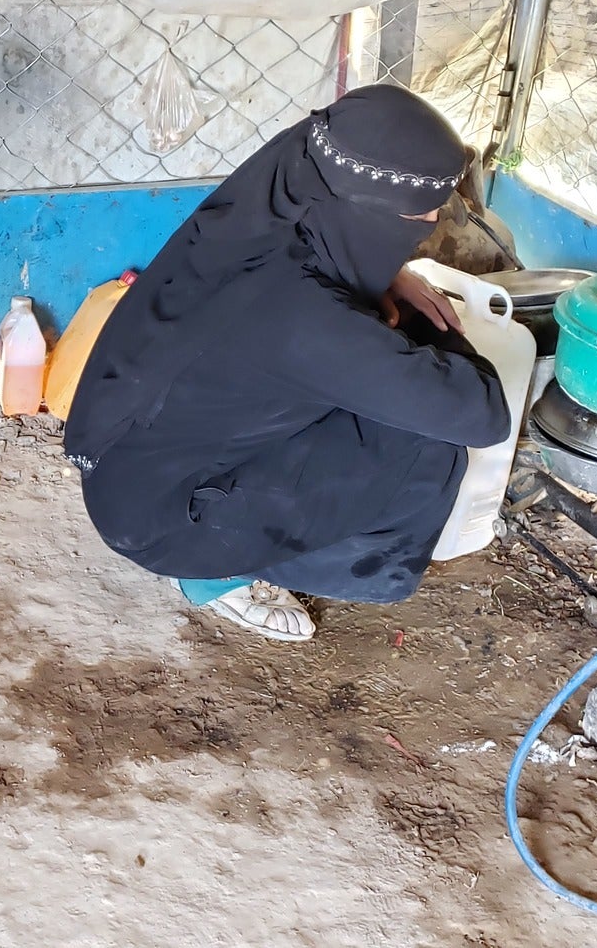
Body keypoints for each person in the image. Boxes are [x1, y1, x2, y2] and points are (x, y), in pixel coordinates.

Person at [63, 85, 512, 642]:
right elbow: (482, 414)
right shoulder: (304, 317)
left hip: (125, 454)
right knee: (427, 445)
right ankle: (221, 571)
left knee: (387, 369)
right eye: (420, 211)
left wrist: (387, 275)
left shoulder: (271, 197)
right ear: (366, 208)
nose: (432, 218)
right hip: (161, 522)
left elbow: (329, 289)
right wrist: (425, 332)